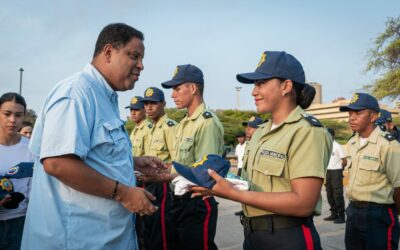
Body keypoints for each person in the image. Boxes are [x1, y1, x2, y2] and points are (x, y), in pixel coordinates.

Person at [21, 23, 166, 250]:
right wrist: (124, 193)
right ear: (108, 52)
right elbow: (57, 162)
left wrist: (132, 162)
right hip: (78, 240)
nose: (141, 66)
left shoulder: (104, 98)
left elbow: (93, 155)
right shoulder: (76, 93)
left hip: (105, 239)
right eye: (134, 56)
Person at [191, 51, 333, 250]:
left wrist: (234, 194)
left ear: (286, 86)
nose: (253, 92)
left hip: (287, 238)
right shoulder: (261, 132)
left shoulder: (307, 131)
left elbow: (304, 202)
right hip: (253, 234)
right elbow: (255, 187)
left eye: (261, 83)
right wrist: (221, 188)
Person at [161, 64, 224, 250]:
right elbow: (180, 163)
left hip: (196, 202)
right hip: (178, 199)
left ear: (193, 88)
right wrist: (163, 168)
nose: (173, 94)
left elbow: (204, 175)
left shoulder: (206, 123)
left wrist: (164, 177)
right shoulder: (183, 124)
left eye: (177, 88)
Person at [339, 93, 400, 249]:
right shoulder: (352, 142)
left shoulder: (388, 145)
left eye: (358, 113)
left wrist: (393, 215)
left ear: (373, 116)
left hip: (378, 215)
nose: (351, 118)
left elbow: (398, 186)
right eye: (350, 113)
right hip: (353, 212)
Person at [139, 87, 176, 250]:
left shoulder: (170, 127)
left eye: (153, 103)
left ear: (163, 104)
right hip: (149, 184)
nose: (148, 107)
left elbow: (176, 161)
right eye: (146, 103)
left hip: (163, 187)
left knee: (160, 233)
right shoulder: (150, 128)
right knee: (148, 230)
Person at [0, 93, 35, 250]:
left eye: (18, 115)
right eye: (7, 114)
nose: (13, 120)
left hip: (22, 222)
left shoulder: (32, 148)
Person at [323, 128, 347, 224]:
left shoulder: (337, 146)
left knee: (338, 195)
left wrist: (340, 169)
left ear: (333, 135)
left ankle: (341, 216)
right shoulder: (324, 145)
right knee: (329, 193)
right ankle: (333, 214)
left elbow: (344, 161)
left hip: (336, 172)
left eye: (328, 135)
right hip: (327, 172)